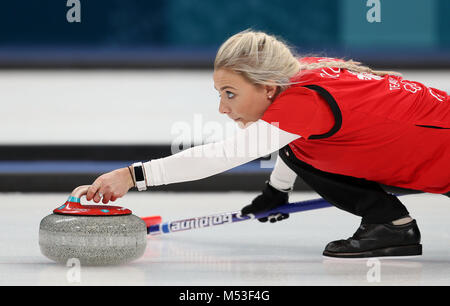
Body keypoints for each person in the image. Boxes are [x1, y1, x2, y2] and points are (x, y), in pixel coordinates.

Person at [85, 30, 450, 259]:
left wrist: (133, 176)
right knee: (300, 147)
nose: (222, 108)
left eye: (230, 94)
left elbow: (222, 155)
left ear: (267, 88)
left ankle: (392, 225)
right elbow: (293, 142)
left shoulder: (303, 101)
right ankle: (390, 226)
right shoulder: (299, 76)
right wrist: (277, 189)